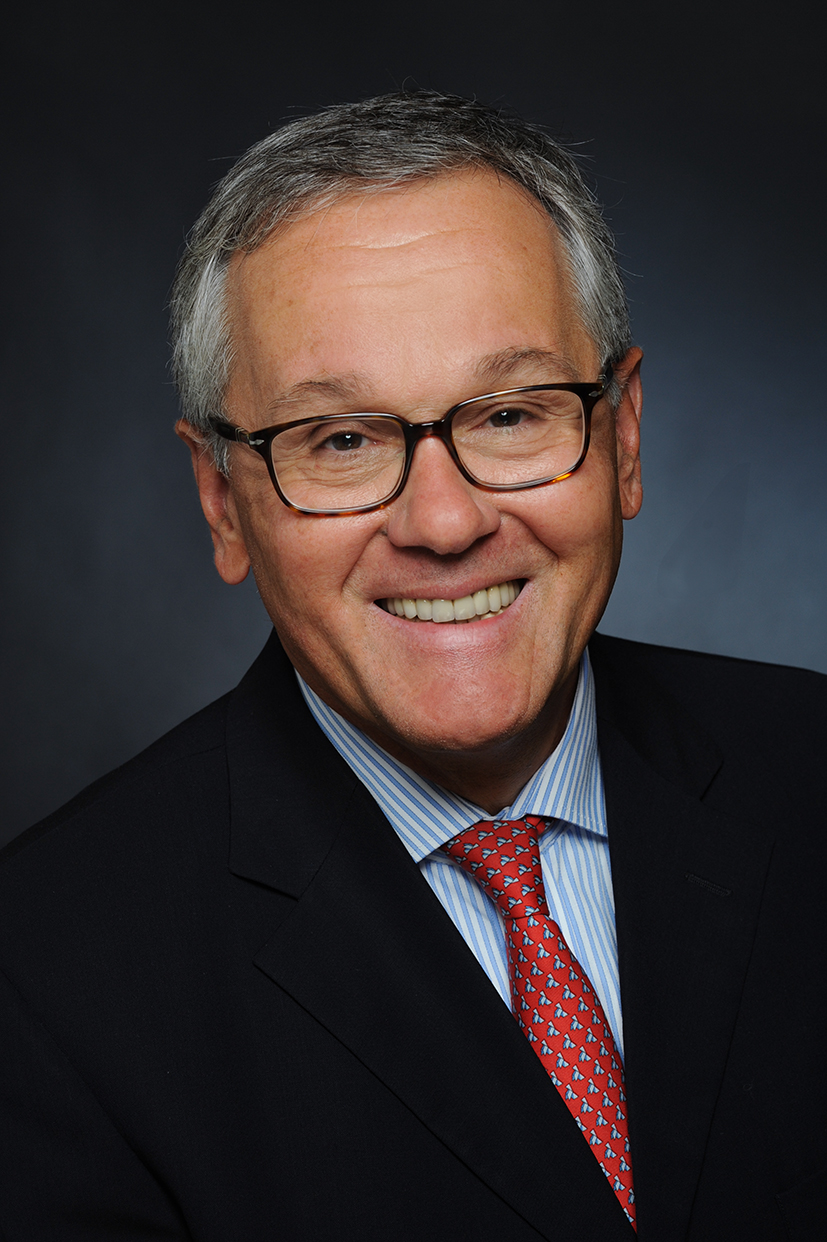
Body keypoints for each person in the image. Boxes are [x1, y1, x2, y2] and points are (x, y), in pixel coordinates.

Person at [0, 91, 824, 1241]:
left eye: (509, 415)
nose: (443, 521)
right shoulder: (43, 979)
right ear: (222, 504)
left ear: (622, 438)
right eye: (339, 440)